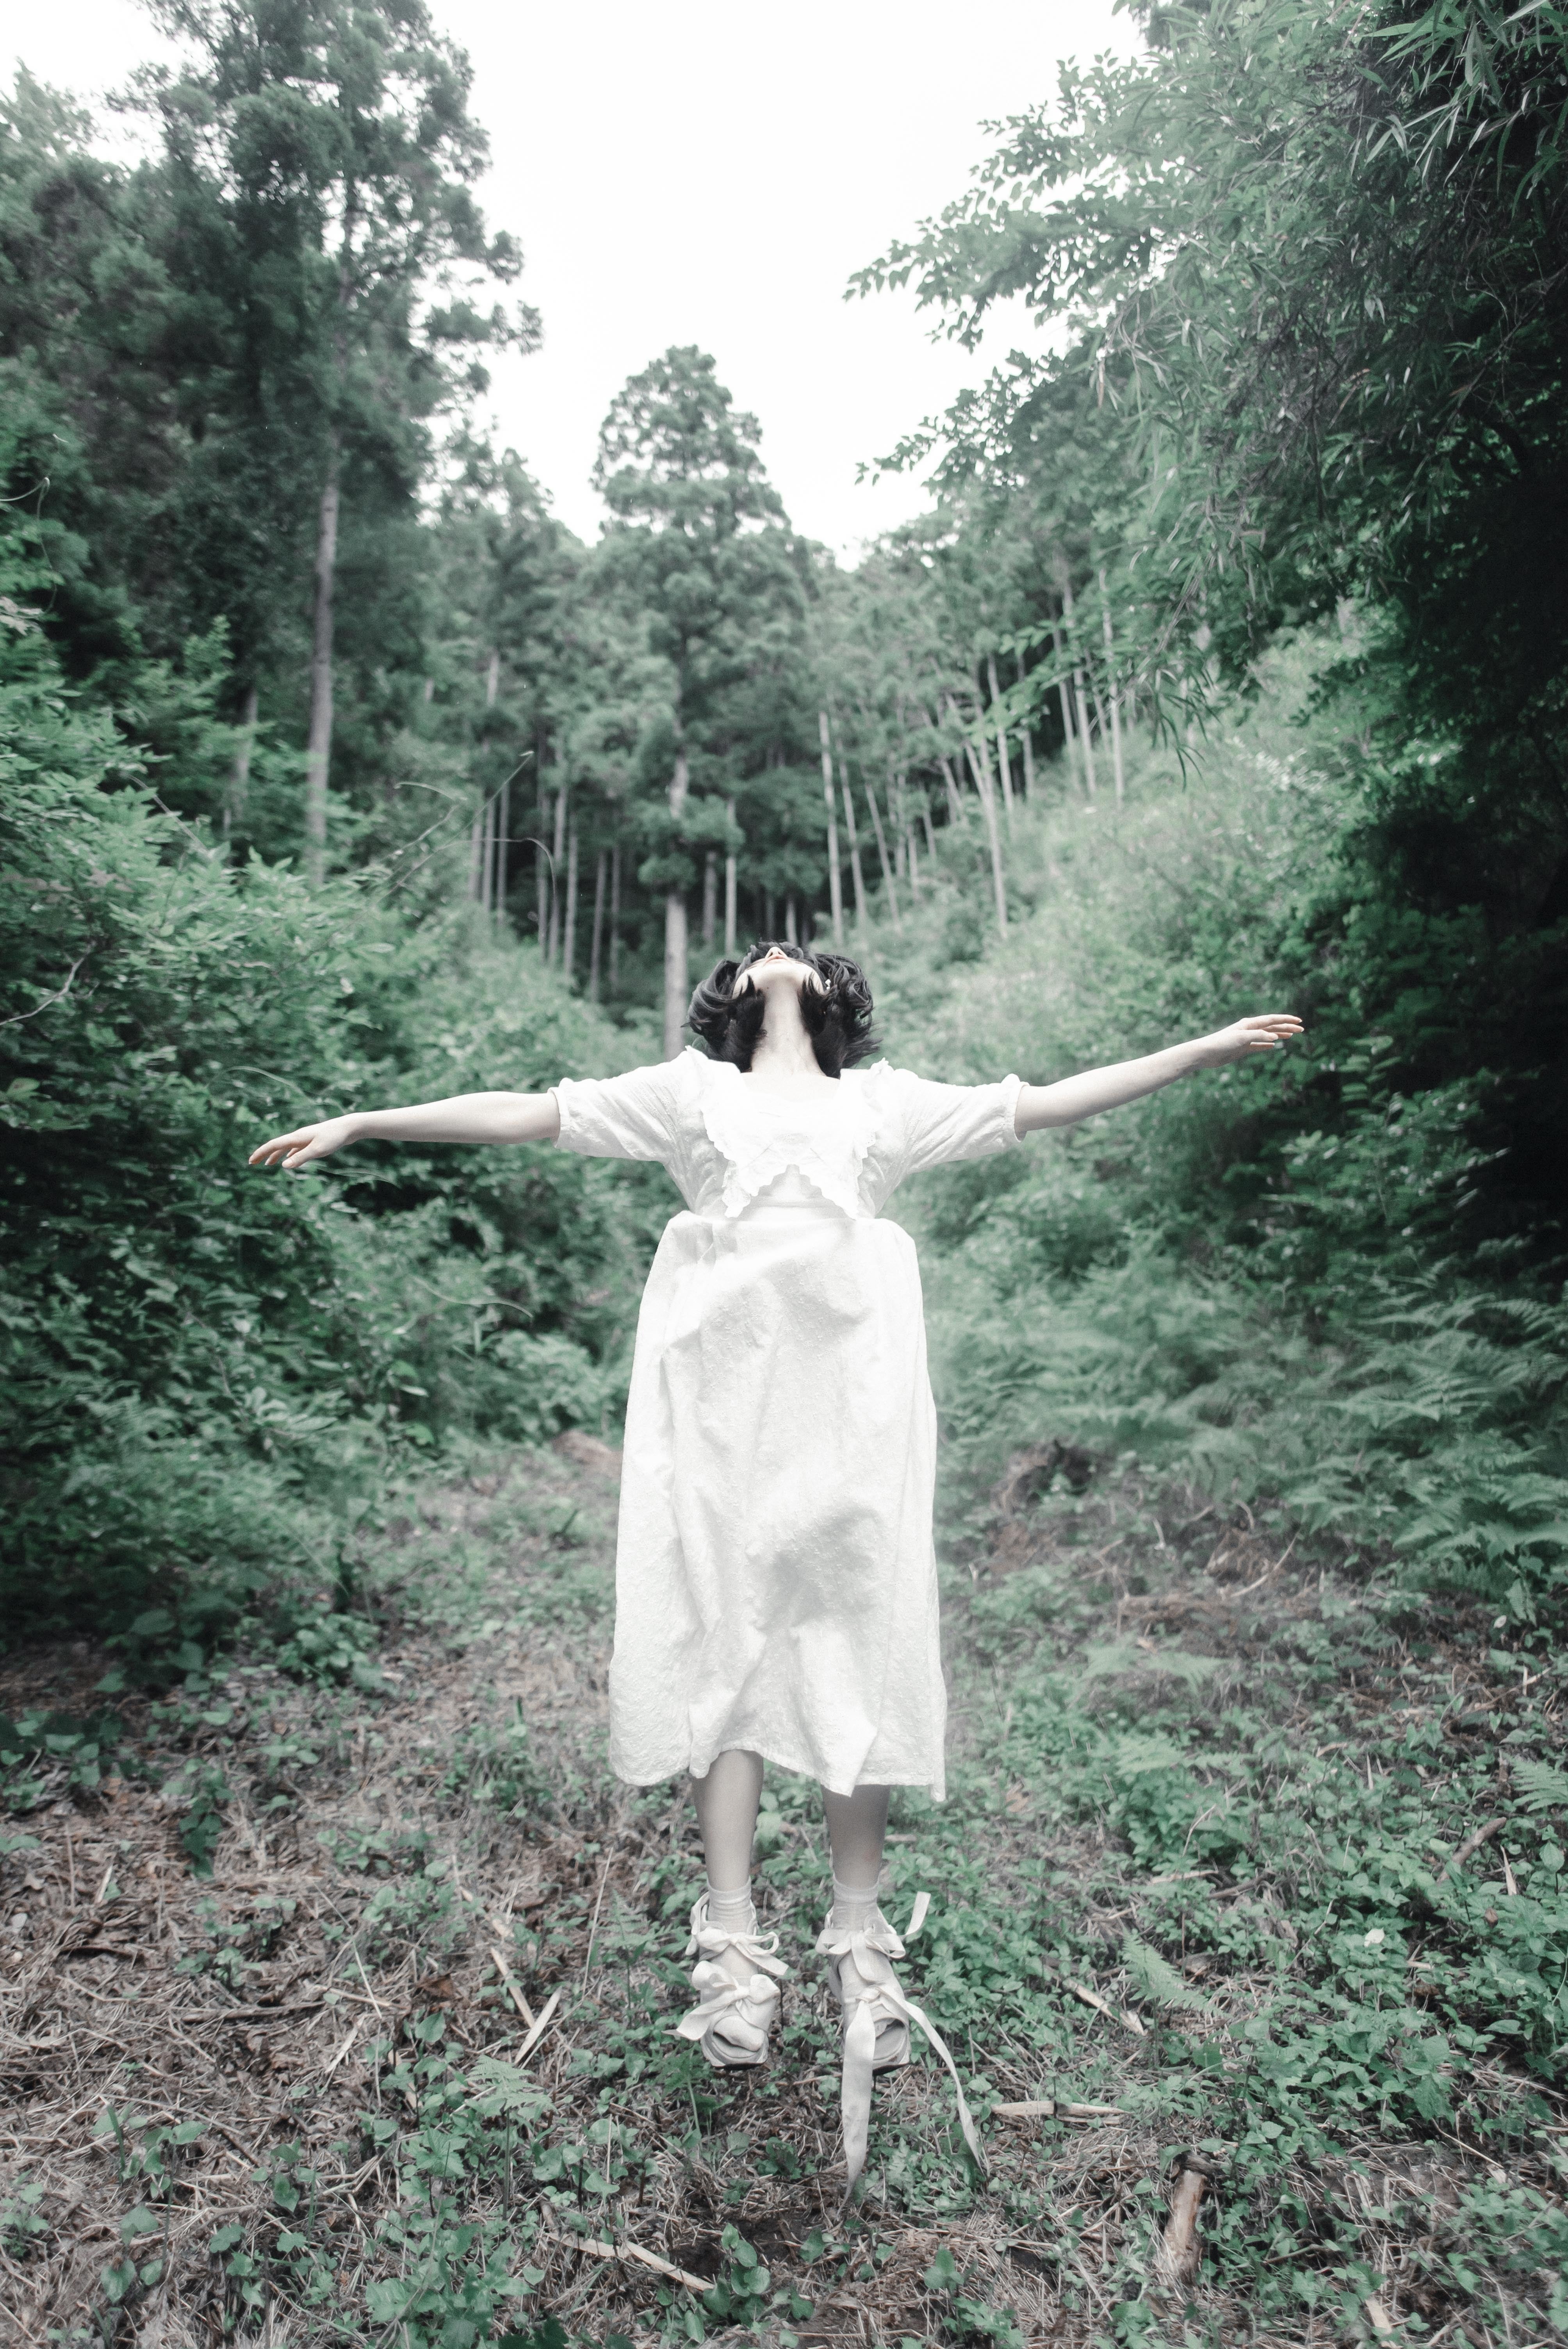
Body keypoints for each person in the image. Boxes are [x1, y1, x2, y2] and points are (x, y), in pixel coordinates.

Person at [251, 941, 1302, 2189]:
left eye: (802, 949)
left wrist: (1199, 1051)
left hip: (852, 1414)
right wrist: (368, 1121)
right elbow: (531, 1113)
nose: (779, 946)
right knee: (727, 1651)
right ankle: (735, 1951)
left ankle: (859, 1942)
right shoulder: (690, 1094)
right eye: (757, 949)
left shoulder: (884, 1106)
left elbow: (1047, 1101)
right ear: (733, 995)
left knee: (859, 1649)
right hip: (724, 1415)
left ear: (837, 993)